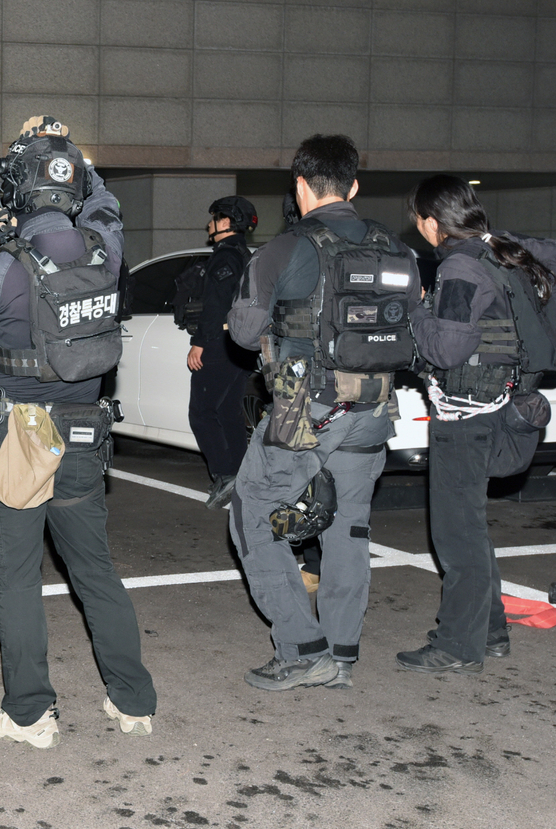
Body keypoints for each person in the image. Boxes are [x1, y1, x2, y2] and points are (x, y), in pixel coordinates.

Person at [0, 116, 157, 748]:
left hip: (15, 440)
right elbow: (106, 202)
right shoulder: (105, 250)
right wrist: (73, 152)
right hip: (85, 436)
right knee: (96, 573)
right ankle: (133, 702)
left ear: (14, 192)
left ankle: (30, 713)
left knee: (18, 579)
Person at [227, 134, 421, 692]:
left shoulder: (288, 248)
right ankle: (340, 653)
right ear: (354, 186)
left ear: (301, 185)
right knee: (348, 530)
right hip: (374, 408)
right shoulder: (398, 251)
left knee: (253, 510)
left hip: (303, 408)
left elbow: (243, 333)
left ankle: (300, 647)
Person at [397, 175, 556, 674]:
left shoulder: (458, 266)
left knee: (456, 535)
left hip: (464, 415)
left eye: (418, 221)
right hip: (503, 406)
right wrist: (542, 326)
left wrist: (414, 312)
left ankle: (458, 645)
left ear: (432, 221)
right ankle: (492, 630)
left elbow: (447, 348)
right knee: (470, 525)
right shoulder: (500, 251)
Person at [184, 196, 257, 509]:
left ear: (227, 222)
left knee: (201, 414)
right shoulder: (246, 255)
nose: (209, 224)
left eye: (214, 218)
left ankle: (226, 473)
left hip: (219, 343)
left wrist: (199, 341)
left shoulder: (225, 257)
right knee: (227, 411)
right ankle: (240, 473)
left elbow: (216, 303)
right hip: (242, 344)